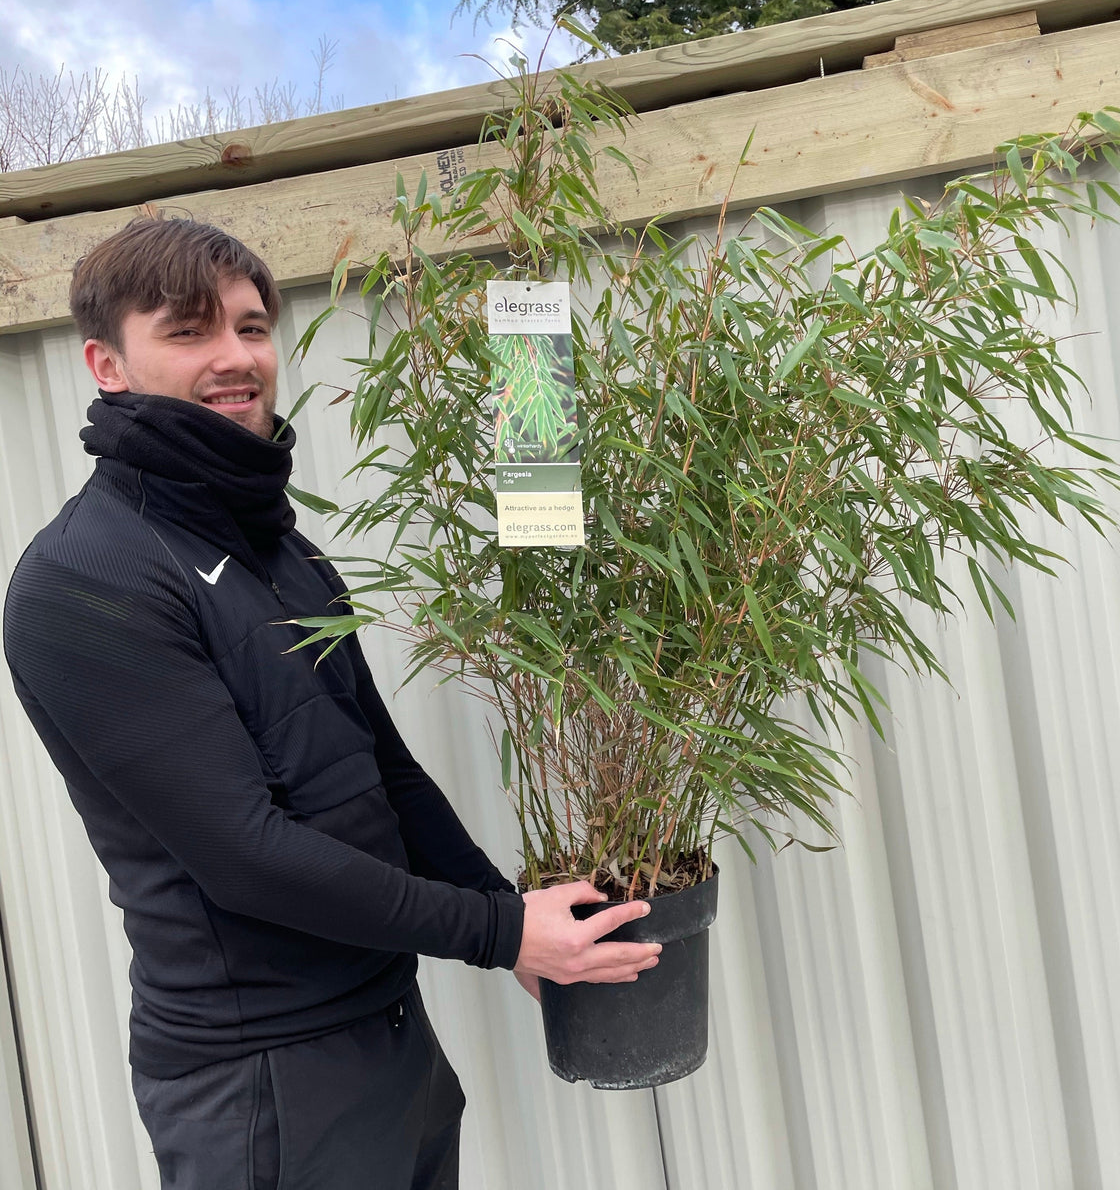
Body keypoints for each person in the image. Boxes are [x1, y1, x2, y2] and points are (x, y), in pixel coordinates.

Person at [2, 217, 661, 1190]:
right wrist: (500, 934)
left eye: (251, 327)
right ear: (108, 364)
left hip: (389, 1036)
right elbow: (245, 855)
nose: (236, 357)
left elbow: (385, 771)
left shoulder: (282, 550)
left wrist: (507, 916)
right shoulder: (85, 580)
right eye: (189, 331)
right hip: (264, 1085)